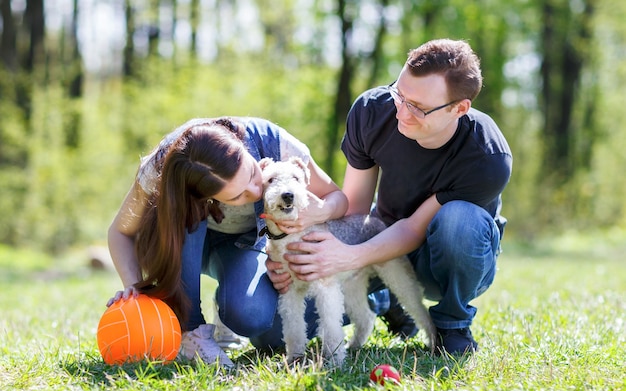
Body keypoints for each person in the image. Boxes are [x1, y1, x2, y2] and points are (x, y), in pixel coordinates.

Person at [264, 39, 513, 355]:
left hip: (451, 259)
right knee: (268, 331)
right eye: (400, 94)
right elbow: (355, 208)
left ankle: (452, 322)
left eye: (419, 107)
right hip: (379, 244)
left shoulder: (486, 157)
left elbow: (413, 229)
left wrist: (351, 257)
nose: (402, 112)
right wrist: (304, 252)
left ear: (459, 108)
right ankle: (384, 297)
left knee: (459, 221)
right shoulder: (372, 111)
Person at [106, 117, 349, 367]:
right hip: (180, 246)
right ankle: (191, 332)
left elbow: (338, 199)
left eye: (254, 173)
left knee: (257, 320)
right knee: (185, 213)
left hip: (243, 245)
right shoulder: (159, 167)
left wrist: (319, 211)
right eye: (238, 195)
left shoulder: (276, 144)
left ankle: (371, 299)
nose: (256, 192)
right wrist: (134, 287)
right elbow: (119, 232)